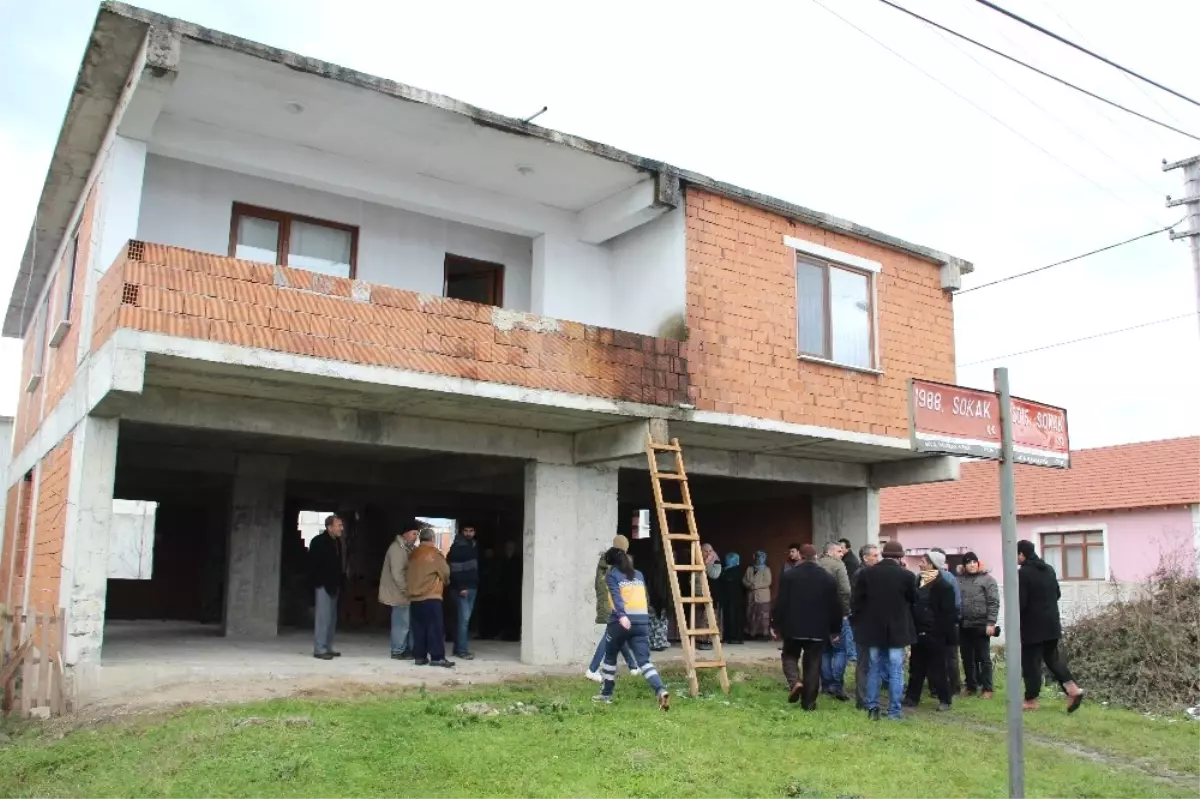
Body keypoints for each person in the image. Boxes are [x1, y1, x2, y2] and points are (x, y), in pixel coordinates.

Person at [593, 547, 671, 711]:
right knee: (644, 661)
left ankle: (606, 694)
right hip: (642, 621)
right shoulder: (639, 574)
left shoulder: (612, 575)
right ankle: (660, 689)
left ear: (611, 563)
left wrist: (621, 616)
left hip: (621, 621)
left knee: (610, 656)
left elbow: (616, 596)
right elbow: (645, 597)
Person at [772, 544, 842, 711]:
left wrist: (775, 624)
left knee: (789, 655)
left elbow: (781, 602)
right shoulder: (828, 578)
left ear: (800, 557)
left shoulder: (789, 576)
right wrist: (835, 630)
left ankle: (795, 682)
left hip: (793, 628)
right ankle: (809, 704)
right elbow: (835, 606)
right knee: (813, 664)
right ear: (816, 557)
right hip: (818, 630)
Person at [853, 540, 917, 721]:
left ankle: (872, 708)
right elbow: (913, 598)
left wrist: (858, 621)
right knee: (896, 669)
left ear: (882, 554)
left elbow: (857, 601)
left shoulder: (867, 573)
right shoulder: (907, 576)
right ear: (900, 557)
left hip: (872, 628)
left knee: (874, 667)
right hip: (897, 629)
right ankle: (894, 711)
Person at [1018, 540, 1085, 712]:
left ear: (1022, 554)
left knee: (1031, 663)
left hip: (1033, 626)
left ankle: (1030, 700)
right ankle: (1072, 689)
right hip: (1052, 624)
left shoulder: (1023, 573)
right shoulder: (1049, 569)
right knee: (1052, 659)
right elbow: (1057, 593)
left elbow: (1021, 602)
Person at [904, 551, 958, 712]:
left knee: (938, 669)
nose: (920, 563)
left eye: (923, 561)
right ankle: (912, 697)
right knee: (916, 667)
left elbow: (948, 614)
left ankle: (945, 700)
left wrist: (939, 633)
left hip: (935, 634)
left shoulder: (944, 586)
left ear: (932, 565)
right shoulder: (918, 580)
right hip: (918, 631)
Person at [587, 535, 639, 681]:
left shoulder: (607, 560)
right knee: (610, 635)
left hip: (610, 603)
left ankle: (633, 667)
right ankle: (592, 669)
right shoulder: (612, 562)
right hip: (611, 604)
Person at [407, 527, 454, 667]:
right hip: (431, 597)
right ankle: (437, 657)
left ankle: (420, 657)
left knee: (418, 629)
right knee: (435, 628)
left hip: (414, 598)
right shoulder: (434, 554)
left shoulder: (413, 554)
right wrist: (446, 582)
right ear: (433, 539)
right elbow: (445, 573)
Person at [958, 552, 999, 698]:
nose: (972, 565)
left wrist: (991, 623)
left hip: (982, 624)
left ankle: (987, 688)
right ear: (964, 566)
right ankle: (971, 686)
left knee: (984, 658)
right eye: (969, 562)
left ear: (978, 563)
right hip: (964, 624)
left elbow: (993, 602)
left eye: (974, 562)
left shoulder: (988, 580)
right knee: (967, 657)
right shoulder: (959, 580)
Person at [817, 541, 852, 701]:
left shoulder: (816, 564)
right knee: (840, 650)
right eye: (838, 551)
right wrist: (845, 612)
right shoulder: (838, 565)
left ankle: (825, 684)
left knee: (824, 652)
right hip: (836, 612)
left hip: (819, 614)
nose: (841, 553)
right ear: (830, 552)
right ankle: (836, 685)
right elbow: (846, 590)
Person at [378, 524, 420, 659]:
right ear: (405, 534)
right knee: (401, 624)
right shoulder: (397, 549)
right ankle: (397, 650)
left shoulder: (407, 548)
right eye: (413, 533)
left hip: (404, 593)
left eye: (417, 534)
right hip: (399, 593)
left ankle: (405, 649)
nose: (416, 537)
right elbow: (397, 573)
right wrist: (406, 589)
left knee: (406, 623)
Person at [926, 547, 963, 696]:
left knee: (946, 656)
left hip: (940, 623)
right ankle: (952, 687)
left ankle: (939, 687)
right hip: (944, 623)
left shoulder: (946, 579)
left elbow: (956, 602)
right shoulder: (946, 577)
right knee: (949, 657)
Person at [309, 514, 345, 660]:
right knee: (323, 618)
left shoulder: (337, 542)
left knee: (331, 618)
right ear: (329, 527)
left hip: (334, 585)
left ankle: (328, 646)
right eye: (339, 525)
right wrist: (318, 582)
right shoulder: (318, 542)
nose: (341, 528)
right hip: (323, 585)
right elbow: (312, 565)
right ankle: (320, 648)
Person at [851, 543, 881, 709]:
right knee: (864, 662)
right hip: (864, 624)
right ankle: (863, 699)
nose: (878, 559)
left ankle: (868, 697)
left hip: (866, 623)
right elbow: (858, 601)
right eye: (875, 556)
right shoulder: (863, 573)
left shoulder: (868, 572)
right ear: (865, 557)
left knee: (870, 662)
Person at [446, 526, 479, 660]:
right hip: (462, 589)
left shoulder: (473, 545)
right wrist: (461, 587)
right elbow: (453, 570)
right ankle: (461, 650)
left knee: (463, 620)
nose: (468, 533)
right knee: (463, 621)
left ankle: (458, 648)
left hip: (471, 587)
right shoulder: (457, 547)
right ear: (461, 532)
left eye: (471, 531)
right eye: (466, 531)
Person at [695, 543, 722, 651]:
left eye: (710, 551)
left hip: (712, 594)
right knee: (699, 617)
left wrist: (708, 563)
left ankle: (709, 640)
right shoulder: (696, 561)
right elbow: (695, 578)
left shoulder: (716, 562)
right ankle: (700, 640)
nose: (708, 553)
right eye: (705, 551)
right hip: (698, 593)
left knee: (709, 617)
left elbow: (714, 575)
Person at [743, 551, 773, 640]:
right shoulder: (749, 568)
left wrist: (755, 586)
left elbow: (768, 582)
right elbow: (744, 580)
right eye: (757, 557)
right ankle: (752, 633)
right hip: (751, 596)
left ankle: (763, 634)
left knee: (763, 616)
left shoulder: (766, 569)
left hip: (762, 597)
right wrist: (749, 585)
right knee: (751, 615)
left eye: (760, 557)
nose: (758, 559)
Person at [718, 552, 746, 644]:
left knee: (735, 617)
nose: (728, 560)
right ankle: (728, 636)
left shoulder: (737, 570)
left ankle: (735, 637)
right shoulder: (724, 569)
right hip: (727, 599)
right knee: (727, 617)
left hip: (736, 599)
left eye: (730, 559)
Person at [499, 539, 523, 641]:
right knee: (505, 612)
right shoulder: (503, 560)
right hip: (505, 590)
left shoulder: (517, 560)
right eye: (507, 548)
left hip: (515, 590)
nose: (509, 549)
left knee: (514, 613)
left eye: (511, 547)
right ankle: (506, 633)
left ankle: (514, 635)